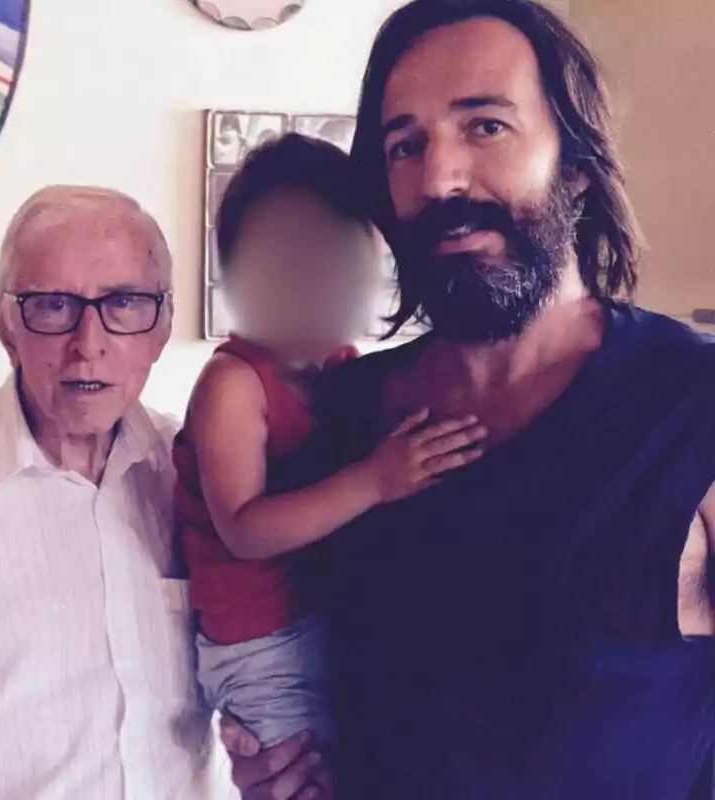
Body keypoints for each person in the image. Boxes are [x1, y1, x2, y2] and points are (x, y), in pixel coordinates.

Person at [293, 0, 715, 797]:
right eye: (404, 145)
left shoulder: (695, 403)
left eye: (485, 126)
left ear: (578, 162)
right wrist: (282, 748)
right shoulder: (344, 413)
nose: (439, 177)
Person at [0, 185, 304, 799]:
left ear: (162, 326)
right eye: (51, 306)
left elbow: (253, 656)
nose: (88, 343)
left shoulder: (200, 479)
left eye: (124, 304)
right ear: (6, 326)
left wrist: (266, 749)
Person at [174, 133, 485, 769]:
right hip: (258, 641)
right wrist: (374, 481)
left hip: (319, 617)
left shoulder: (340, 370)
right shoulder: (233, 385)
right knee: (303, 774)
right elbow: (244, 530)